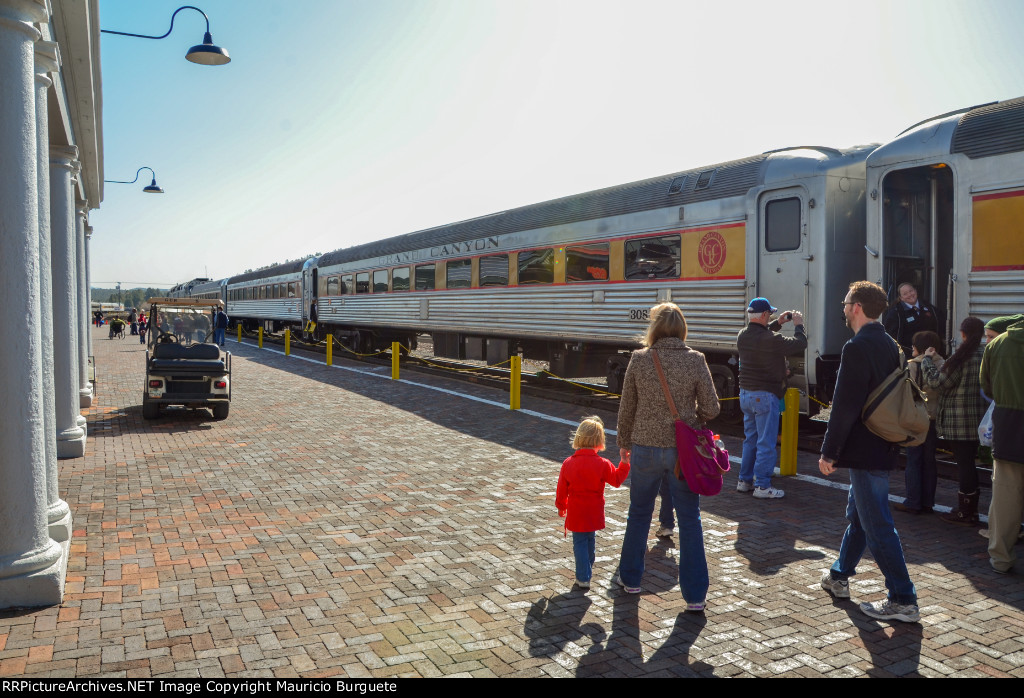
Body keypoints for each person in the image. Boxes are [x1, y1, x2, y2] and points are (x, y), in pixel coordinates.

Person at [819, 280, 919, 623]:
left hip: (864, 449)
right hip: (886, 442)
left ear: (857, 307)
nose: (844, 308)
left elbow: (844, 405)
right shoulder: (893, 344)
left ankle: (903, 598)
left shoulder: (857, 346)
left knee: (877, 523)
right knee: (860, 516)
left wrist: (829, 452)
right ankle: (839, 576)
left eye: (847, 303)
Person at [615, 302, 720, 610]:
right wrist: (693, 419)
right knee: (690, 520)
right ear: (682, 328)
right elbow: (713, 408)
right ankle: (695, 596)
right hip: (682, 453)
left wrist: (624, 442)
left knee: (638, 514)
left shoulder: (640, 359)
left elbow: (627, 407)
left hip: (645, 448)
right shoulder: (696, 360)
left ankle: (631, 580)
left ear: (655, 329)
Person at [736, 297, 807, 499]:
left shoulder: (742, 335)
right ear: (765, 315)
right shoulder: (771, 339)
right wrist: (798, 325)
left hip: (746, 394)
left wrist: (779, 323)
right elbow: (800, 344)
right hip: (765, 395)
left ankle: (744, 481)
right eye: (770, 315)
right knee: (766, 442)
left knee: (751, 440)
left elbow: (763, 335)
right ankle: (763, 486)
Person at [921, 317, 987, 525]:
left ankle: (966, 512)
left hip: (959, 422)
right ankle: (971, 509)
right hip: (980, 420)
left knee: (965, 464)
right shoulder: (986, 354)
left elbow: (937, 383)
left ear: (963, 334)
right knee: (970, 464)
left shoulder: (960, 358)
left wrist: (926, 361)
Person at [555, 416, 631, 589]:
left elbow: (561, 490)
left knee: (580, 542)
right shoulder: (603, 463)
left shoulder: (568, 463)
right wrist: (625, 463)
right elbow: (617, 480)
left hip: (576, 510)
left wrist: (561, 507)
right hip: (594, 510)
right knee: (590, 539)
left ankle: (583, 576)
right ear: (599, 441)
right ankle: (587, 569)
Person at [982, 317, 1024, 573]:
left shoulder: (997, 344)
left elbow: (986, 385)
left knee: (1005, 496)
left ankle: (1001, 558)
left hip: (1008, 425)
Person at [893, 331, 944, 515]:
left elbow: (906, 391)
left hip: (916, 419)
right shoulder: (943, 364)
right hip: (933, 419)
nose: (911, 348)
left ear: (919, 347)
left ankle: (913, 501)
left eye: (914, 345)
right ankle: (928, 502)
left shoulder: (913, 365)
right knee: (929, 461)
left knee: (914, 460)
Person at [883, 282, 941, 354]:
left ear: (915, 291)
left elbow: (939, 328)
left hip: (931, 354)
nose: (910, 295)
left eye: (911, 291)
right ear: (901, 298)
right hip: (908, 356)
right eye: (905, 294)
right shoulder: (896, 313)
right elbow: (890, 337)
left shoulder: (930, 308)